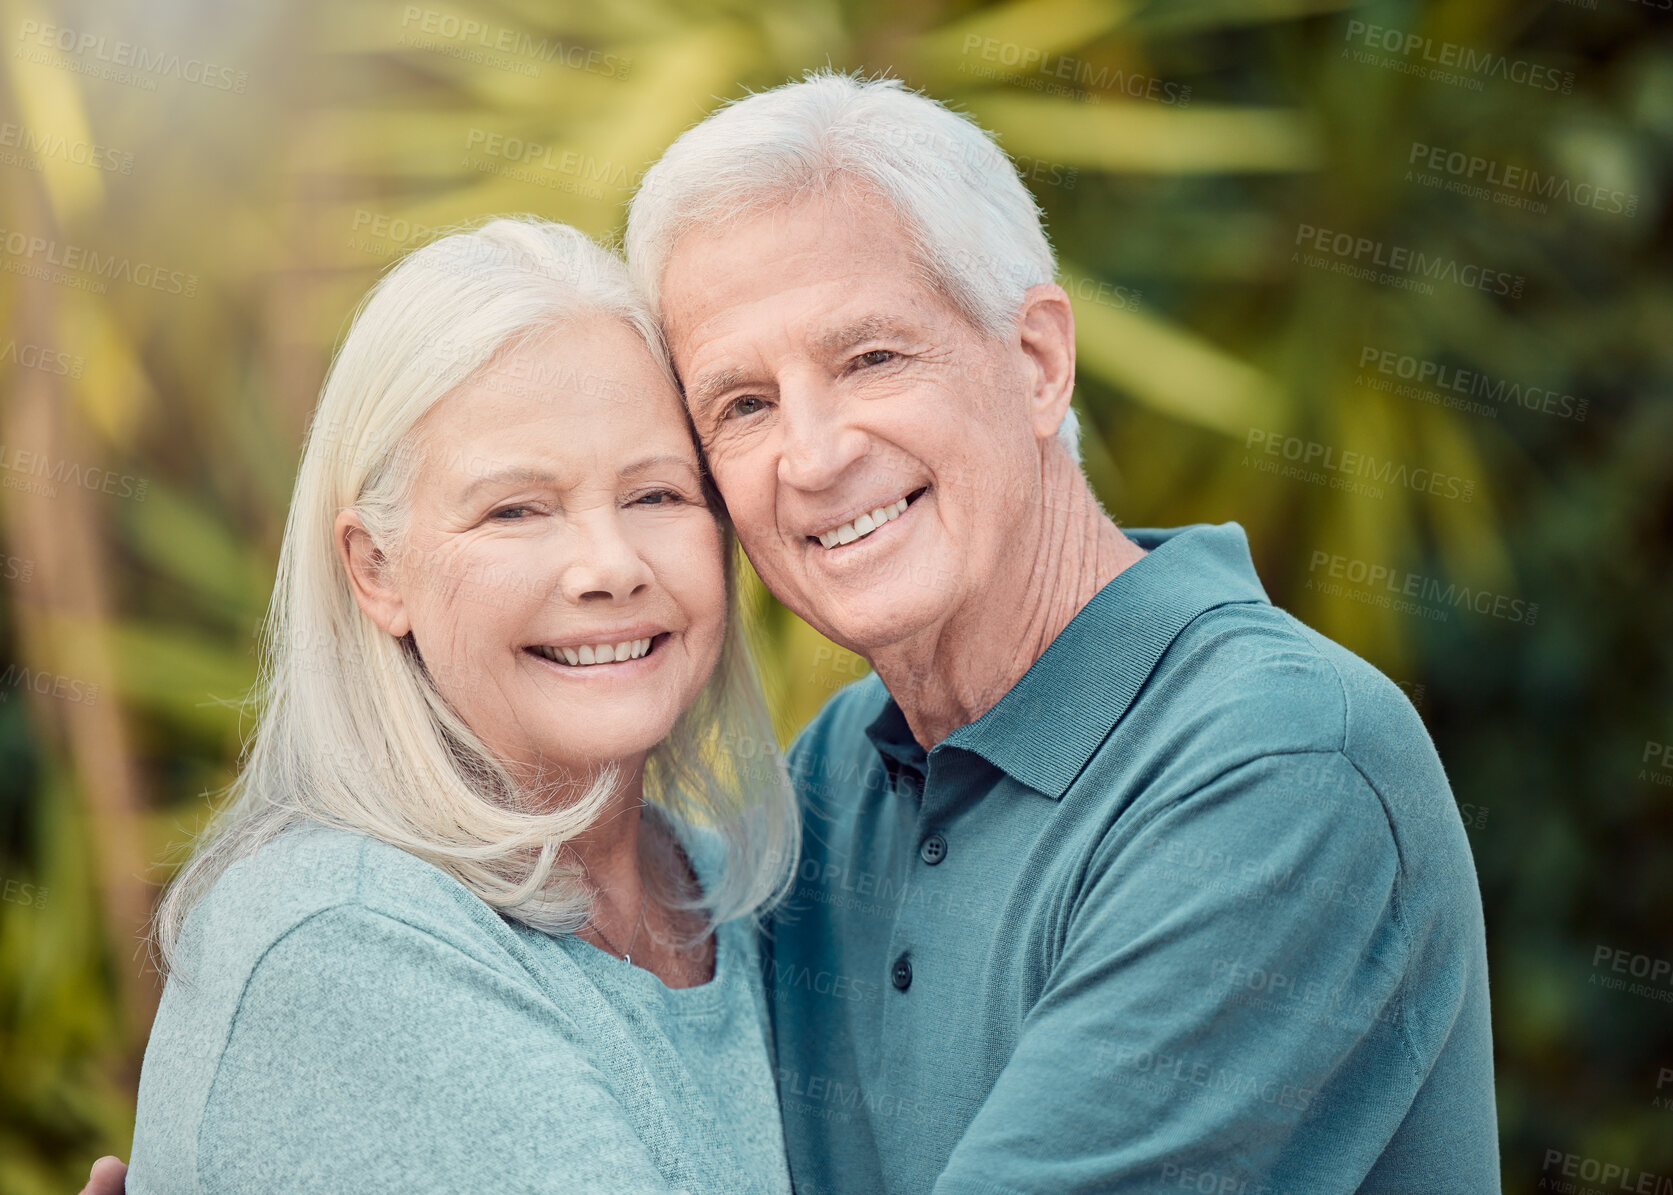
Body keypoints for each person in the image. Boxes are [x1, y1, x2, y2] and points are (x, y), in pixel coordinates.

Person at [624, 70, 1500, 1193]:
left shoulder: (1283, 768)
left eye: (870, 358)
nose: (813, 455)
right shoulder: (836, 774)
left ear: (1036, 360)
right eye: (742, 404)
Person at [108, 217, 800, 1193]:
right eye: (517, 509)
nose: (609, 565)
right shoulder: (344, 942)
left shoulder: (745, 897)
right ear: (375, 569)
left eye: (655, 495)